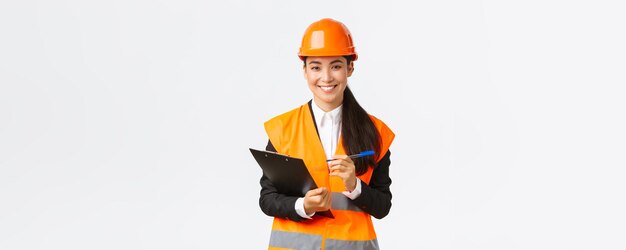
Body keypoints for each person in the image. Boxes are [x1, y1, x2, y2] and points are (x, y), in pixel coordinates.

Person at [258, 18, 395, 250]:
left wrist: (355, 185)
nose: (326, 77)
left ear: (350, 68)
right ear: (304, 70)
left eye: (336, 66)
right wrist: (303, 206)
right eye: (316, 67)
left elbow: (382, 207)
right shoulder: (283, 129)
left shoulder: (375, 133)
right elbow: (267, 200)